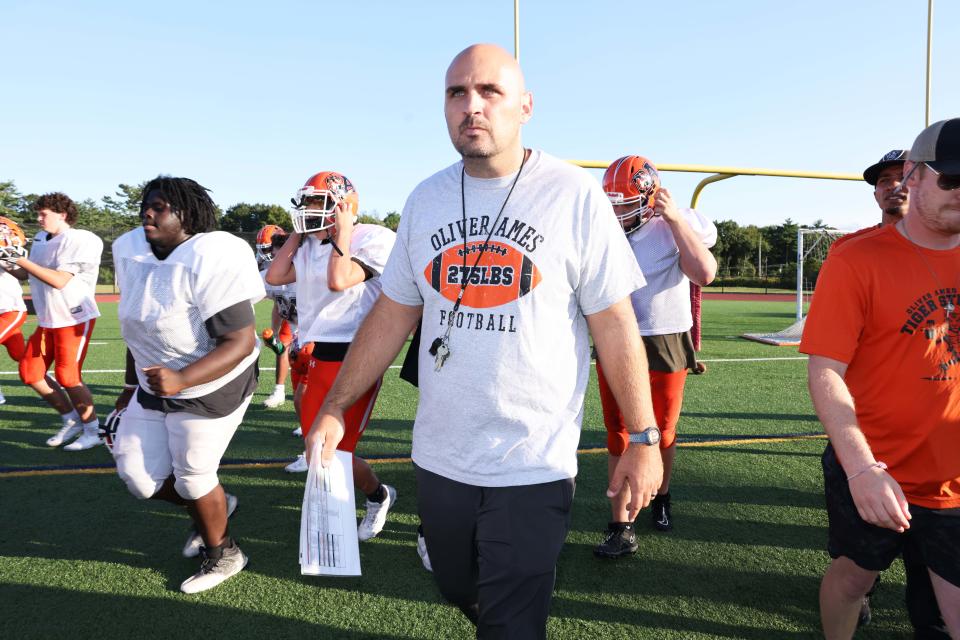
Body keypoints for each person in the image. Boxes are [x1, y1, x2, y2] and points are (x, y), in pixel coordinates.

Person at [305, 43, 663, 637]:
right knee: (455, 583)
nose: (472, 106)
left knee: (512, 620)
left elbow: (615, 322)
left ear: (524, 106)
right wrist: (337, 406)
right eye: (456, 93)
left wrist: (644, 437)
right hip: (442, 453)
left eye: (489, 92)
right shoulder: (426, 198)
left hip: (532, 459)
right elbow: (392, 314)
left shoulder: (572, 196)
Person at [801, 118, 960, 639]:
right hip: (874, 464)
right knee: (852, 579)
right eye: (952, 179)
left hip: (953, 478)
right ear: (913, 178)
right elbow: (826, 369)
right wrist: (861, 467)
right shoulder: (856, 259)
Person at [110, 176, 265, 594]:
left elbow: (240, 340)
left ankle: (225, 553)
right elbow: (140, 330)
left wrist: (182, 378)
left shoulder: (211, 255)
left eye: (160, 207)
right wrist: (129, 387)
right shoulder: (130, 251)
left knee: (194, 476)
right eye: (147, 205)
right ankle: (214, 507)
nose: (148, 212)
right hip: (156, 382)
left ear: (188, 216)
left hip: (214, 383)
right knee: (139, 479)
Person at [593, 155, 717, 557]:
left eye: (626, 204)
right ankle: (621, 524)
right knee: (618, 431)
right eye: (613, 203)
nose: (617, 212)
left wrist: (676, 220)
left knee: (660, 430)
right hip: (615, 336)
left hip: (662, 337)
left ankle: (661, 495)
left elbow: (705, 272)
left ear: (650, 200)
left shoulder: (673, 225)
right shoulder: (603, 228)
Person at [266, 171, 398, 534]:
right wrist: (297, 233)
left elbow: (338, 280)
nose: (308, 209)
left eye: (316, 202)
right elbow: (275, 277)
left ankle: (377, 496)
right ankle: (374, 495)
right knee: (315, 452)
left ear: (343, 206)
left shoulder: (372, 238)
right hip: (315, 356)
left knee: (337, 454)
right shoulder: (308, 244)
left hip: (357, 356)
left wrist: (343, 230)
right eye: (305, 202)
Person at [2, 193, 103, 450]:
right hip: (48, 319)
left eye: (44, 214)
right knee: (30, 373)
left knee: (68, 376)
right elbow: (26, 273)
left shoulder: (82, 239)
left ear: (63, 214)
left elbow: (59, 280)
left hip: (74, 316)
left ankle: (93, 429)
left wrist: (18, 256)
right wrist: (6, 259)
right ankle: (71, 419)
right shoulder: (40, 239)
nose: (38, 219)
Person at [256, 224, 295, 409]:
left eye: (269, 248)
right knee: (282, 345)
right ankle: (279, 391)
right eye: (264, 249)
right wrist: (274, 328)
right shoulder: (264, 266)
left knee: (300, 353)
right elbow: (277, 299)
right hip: (286, 306)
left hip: (305, 313)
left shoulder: (298, 262)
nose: (267, 254)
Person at [0, 216, 30, 404]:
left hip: (9, 310)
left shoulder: (6, 252)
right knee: (22, 357)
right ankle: (50, 382)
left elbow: (24, 273)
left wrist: (7, 257)